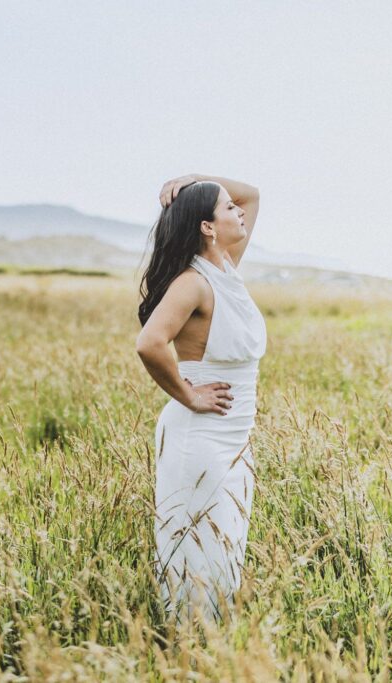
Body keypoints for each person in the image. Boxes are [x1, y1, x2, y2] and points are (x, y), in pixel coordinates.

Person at [134, 174, 266, 625]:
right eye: (228, 209)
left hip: (235, 436)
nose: (240, 211)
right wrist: (188, 395)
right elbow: (150, 343)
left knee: (226, 546)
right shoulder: (193, 282)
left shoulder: (226, 266)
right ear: (208, 227)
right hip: (201, 437)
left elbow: (253, 193)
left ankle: (214, 645)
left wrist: (193, 178)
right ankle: (185, 648)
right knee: (197, 552)